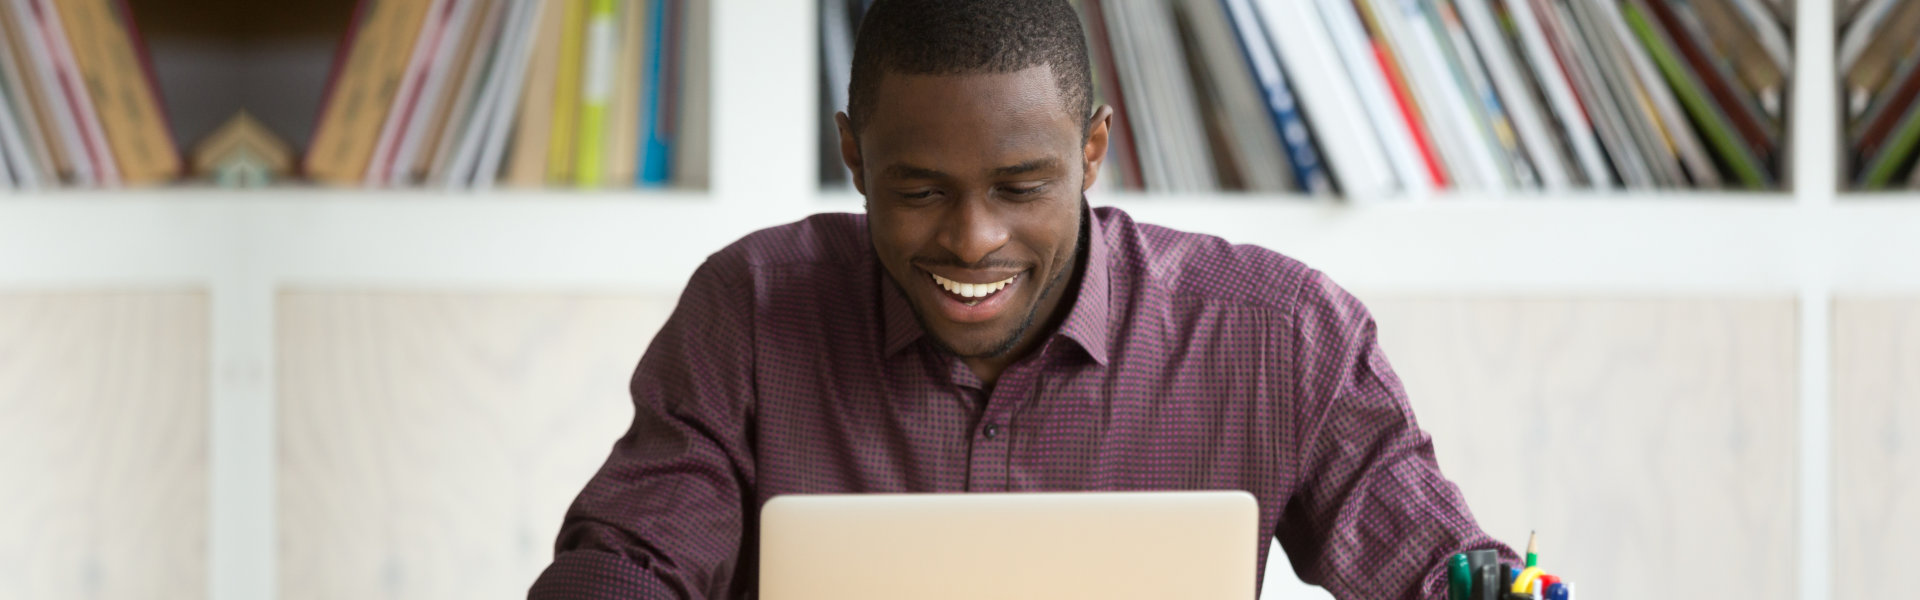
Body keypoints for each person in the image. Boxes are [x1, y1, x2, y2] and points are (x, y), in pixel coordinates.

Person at [528, 1, 1513, 598]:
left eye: (1020, 186)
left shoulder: (1278, 335)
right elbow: (634, 554)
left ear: (1092, 149)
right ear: (853, 156)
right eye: (918, 191)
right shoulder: (750, 312)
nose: (972, 239)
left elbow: (1445, 569)